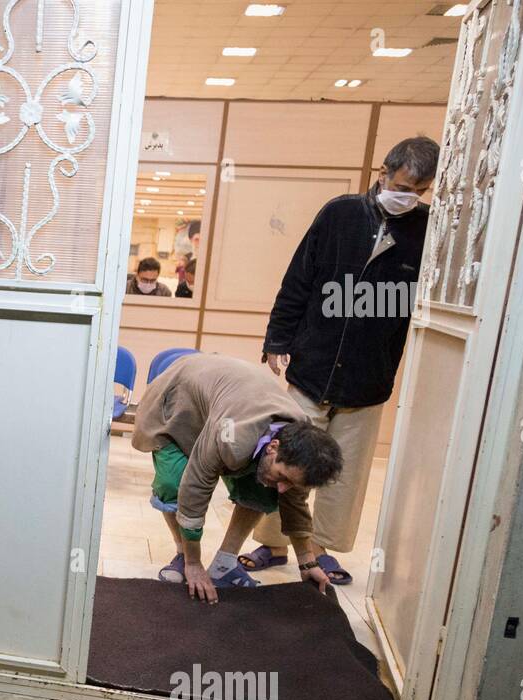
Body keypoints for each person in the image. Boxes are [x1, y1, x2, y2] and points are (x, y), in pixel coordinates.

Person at [241, 136, 438, 586]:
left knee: (343, 471)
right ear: (383, 171)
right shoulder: (341, 213)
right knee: (287, 459)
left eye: (421, 190)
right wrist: (277, 340)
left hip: (369, 377)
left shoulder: (427, 228)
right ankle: (272, 543)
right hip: (313, 365)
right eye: (405, 185)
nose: (411, 197)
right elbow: (298, 279)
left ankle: (320, 548)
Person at [132, 350, 342, 605]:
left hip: (230, 399)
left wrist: (307, 562)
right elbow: (195, 488)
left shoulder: (299, 445)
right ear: (273, 447)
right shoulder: (232, 437)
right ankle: (181, 555)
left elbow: (295, 502)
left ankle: (225, 565)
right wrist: (194, 561)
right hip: (179, 401)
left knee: (267, 488)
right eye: (283, 476)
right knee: (173, 484)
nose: (284, 487)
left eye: (290, 481)